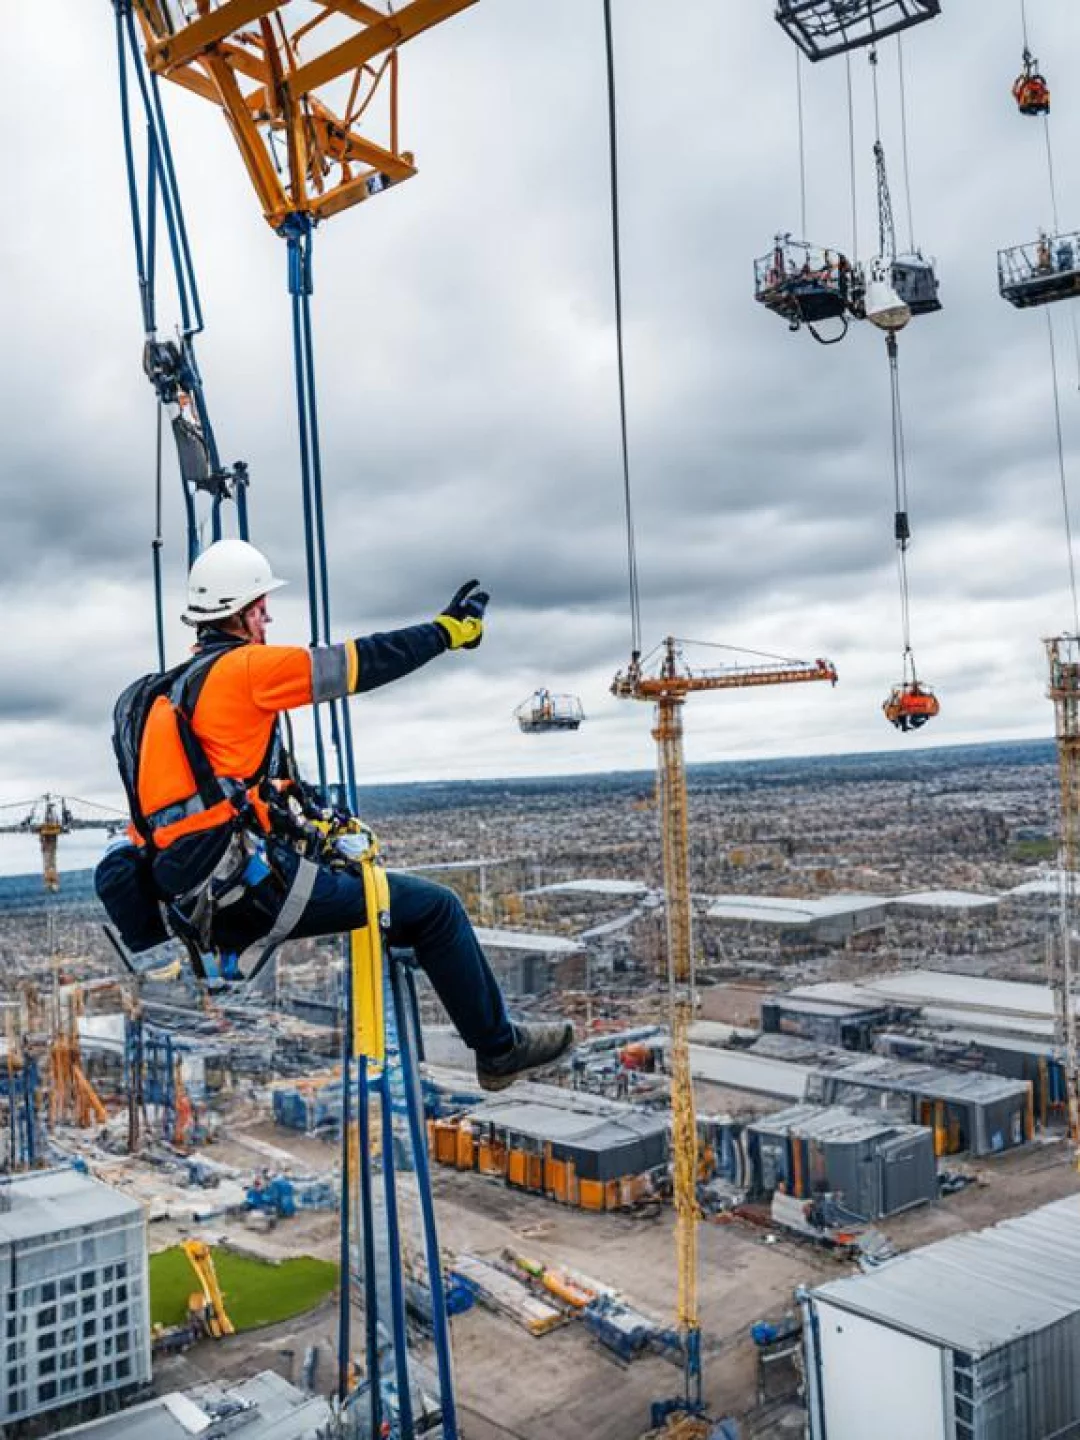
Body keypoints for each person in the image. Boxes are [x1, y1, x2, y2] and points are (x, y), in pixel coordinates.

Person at [123, 538, 573, 1092]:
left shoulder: (174, 691)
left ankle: (454, 991)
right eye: (261, 606)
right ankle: (499, 1050)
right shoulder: (245, 671)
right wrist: (448, 632)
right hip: (246, 894)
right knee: (437, 909)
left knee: (393, 901)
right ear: (241, 613)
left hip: (197, 894)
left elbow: (224, 794)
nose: (267, 617)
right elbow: (359, 662)